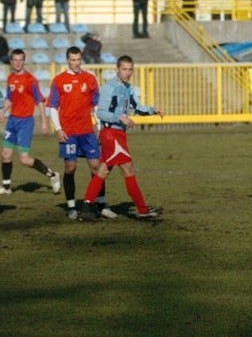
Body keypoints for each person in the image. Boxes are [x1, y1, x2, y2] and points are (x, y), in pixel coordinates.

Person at [79, 55, 163, 220]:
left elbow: (136, 107)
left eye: (130, 69)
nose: (127, 72)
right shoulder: (109, 87)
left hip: (119, 134)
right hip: (111, 134)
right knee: (128, 169)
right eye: (124, 69)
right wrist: (119, 118)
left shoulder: (128, 88)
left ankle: (86, 206)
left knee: (103, 171)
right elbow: (101, 112)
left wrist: (153, 110)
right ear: (117, 69)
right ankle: (142, 209)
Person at [47, 47, 116, 220]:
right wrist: (58, 128)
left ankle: (100, 205)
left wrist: (100, 128)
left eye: (78, 59)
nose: (76, 63)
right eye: (73, 60)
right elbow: (53, 107)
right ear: (67, 60)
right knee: (70, 168)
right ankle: (71, 206)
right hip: (69, 132)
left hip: (87, 132)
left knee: (96, 167)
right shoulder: (59, 80)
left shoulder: (90, 79)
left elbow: (96, 106)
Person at [0, 49, 60, 195]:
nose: (18, 62)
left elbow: (39, 101)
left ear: (24, 61)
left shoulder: (30, 80)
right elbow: (10, 98)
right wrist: (2, 112)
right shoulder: (10, 78)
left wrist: (44, 122)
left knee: (24, 160)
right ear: (11, 62)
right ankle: (7, 187)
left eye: (20, 60)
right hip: (12, 121)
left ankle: (52, 175)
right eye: (15, 60)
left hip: (25, 122)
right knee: (5, 155)